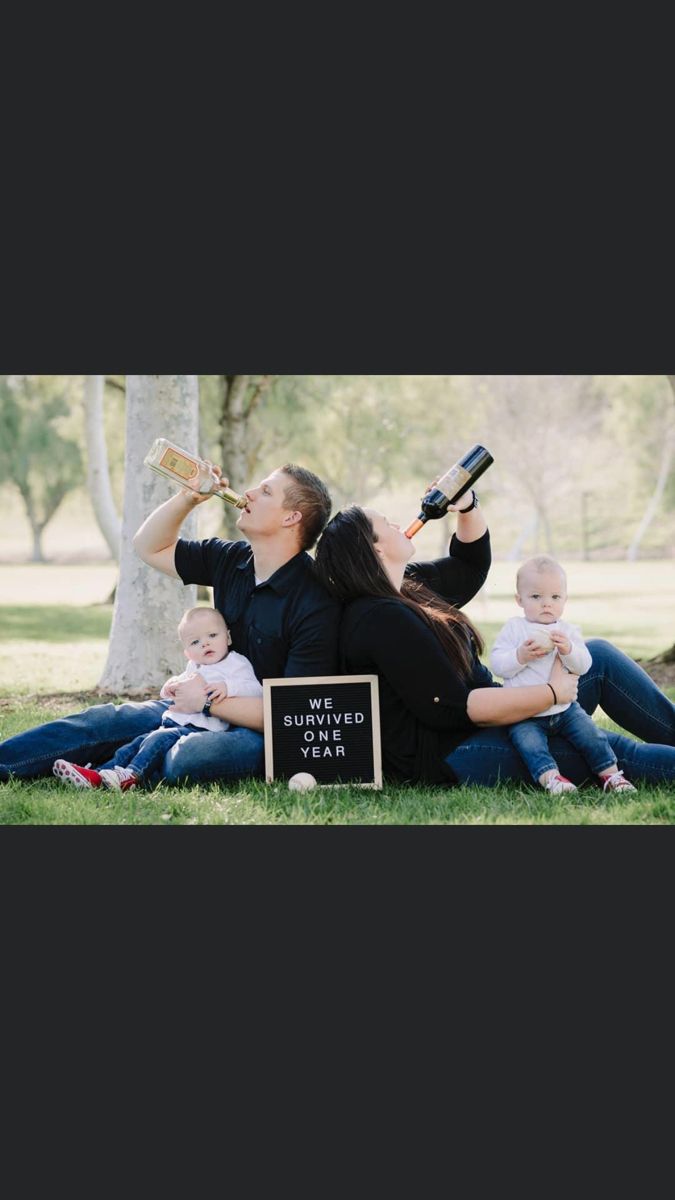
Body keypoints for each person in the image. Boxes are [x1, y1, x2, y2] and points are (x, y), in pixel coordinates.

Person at [0, 463, 341, 786]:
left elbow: (292, 714)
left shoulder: (314, 601)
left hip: (254, 731)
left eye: (265, 491)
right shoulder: (229, 558)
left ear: (291, 517)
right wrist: (187, 498)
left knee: (188, 757)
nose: (249, 492)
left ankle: (121, 764)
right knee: (104, 720)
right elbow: (148, 546)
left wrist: (208, 702)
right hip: (193, 708)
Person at [313, 489, 675, 790]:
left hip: (491, 716)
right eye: (386, 524)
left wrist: (466, 504)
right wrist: (551, 694)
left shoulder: (408, 585)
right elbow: (454, 707)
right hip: (455, 749)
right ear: (376, 550)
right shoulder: (380, 618)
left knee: (598, 655)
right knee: (618, 754)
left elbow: (470, 565)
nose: (399, 525)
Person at [52, 608, 263, 792]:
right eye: (196, 642)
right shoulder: (195, 666)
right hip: (176, 722)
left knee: (156, 741)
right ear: (188, 653)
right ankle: (99, 774)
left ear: (227, 637)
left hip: (202, 728)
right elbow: (175, 687)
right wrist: (170, 686)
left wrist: (228, 687)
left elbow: (255, 690)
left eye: (212, 635)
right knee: (137, 743)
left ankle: (132, 776)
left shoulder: (236, 663)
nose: (205, 643)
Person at [490, 556, 636, 796]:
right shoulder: (515, 628)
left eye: (555, 597)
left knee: (592, 736)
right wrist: (520, 656)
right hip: (526, 712)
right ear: (520, 600)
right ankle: (552, 778)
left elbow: (585, 664)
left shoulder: (567, 631)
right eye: (536, 597)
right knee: (529, 744)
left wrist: (568, 650)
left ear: (564, 599)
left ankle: (610, 775)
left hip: (565, 709)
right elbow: (498, 664)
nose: (546, 604)